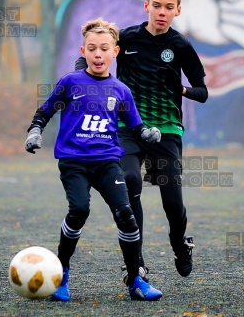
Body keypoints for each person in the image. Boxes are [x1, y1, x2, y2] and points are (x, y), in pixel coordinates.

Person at [75, 0, 208, 280]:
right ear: (147, 5)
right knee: (130, 179)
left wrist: (183, 90)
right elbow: (100, 51)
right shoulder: (129, 38)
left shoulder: (180, 46)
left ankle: (179, 244)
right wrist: (79, 67)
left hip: (167, 130)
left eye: (169, 7)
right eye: (157, 5)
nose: (162, 11)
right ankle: (136, 262)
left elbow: (203, 92)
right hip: (127, 125)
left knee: (172, 201)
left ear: (178, 10)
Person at [25, 17, 163, 301]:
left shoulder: (121, 90)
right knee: (79, 211)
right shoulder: (71, 82)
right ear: (83, 51)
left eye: (104, 48)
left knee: (125, 214)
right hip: (74, 162)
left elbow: (135, 126)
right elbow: (46, 110)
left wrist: (148, 133)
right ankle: (60, 275)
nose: (98, 54)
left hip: (107, 162)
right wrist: (35, 131)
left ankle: (136, 279)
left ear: (115, 52)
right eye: (92, 49)